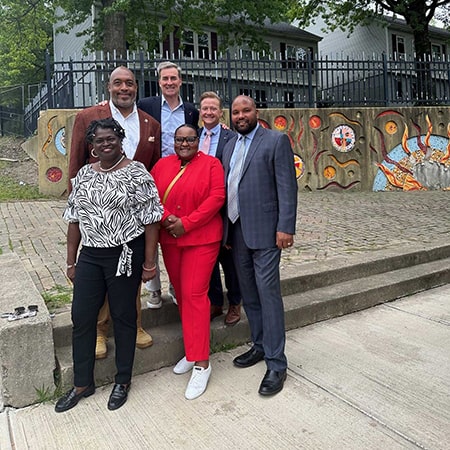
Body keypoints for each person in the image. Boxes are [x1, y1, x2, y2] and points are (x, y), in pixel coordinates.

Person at [55, 118, 163, 412]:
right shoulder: (85, 176)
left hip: (125, 254)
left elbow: (152, 220)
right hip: (90, 255)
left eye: (110, 139)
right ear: (91, 146)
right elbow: (74, 220)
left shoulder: (137, 173)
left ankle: (123, 380)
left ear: (120, 140)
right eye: (99, 141)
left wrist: (150, 263)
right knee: (82, 317)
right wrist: (70, 261)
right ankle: (82, 383)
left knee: (124, 316)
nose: (105, 144)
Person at [68, 66, 161, 358]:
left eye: (130, 84)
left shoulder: (149, 123)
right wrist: (77, 203)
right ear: (109, 86)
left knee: (129, 273)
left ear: (136, 88)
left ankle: (134, 323)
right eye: (118, 83)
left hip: (132, 216)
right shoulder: (88, 117)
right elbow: (76, 164)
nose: (125, 88)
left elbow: (154, 168)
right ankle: (99, 329)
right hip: (98, 213)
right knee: (98, 278)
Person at [222, 95, 298, 396]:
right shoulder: (229, 146)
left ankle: (277, 363)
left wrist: (285, 227)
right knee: (249, 294)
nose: (241, 116)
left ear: (257, 112)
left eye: (246, 111)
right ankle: (260, 345)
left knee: (268, 294)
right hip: (237, 231)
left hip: (267, 233)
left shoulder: (275, 141)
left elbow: (287, 186)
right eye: (236, 112)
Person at [150, 124, 225, 400]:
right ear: (174, 141)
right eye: (179, 139)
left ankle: (202, 363)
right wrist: (168, 218)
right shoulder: (162, 164)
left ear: (198, 141)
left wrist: (187, 223)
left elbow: (216, 198)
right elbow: (152, 196)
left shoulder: (211, 164)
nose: (184, 144)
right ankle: (192, 353)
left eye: (190, 139)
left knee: (195, 295)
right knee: (181, 295)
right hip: (170, 238)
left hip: (201, 239)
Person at [137, 61, 199, 308]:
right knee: (151, 229)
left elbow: (199, 136)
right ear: (159, 81)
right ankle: (154, 288)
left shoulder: (191, 110)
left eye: (174, 78)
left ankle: (176, 284)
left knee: (177, 230)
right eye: (165, 79)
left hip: (184, 176)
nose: (170, 83)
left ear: (180, 81)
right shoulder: (146, 105)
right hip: (155, 174)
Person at [197, 91, 242, 326]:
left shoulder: (231, 138)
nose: (209, 112)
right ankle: (215, 301)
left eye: (213, 108)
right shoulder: (192, 136)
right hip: (200, 210)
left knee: (229, 259)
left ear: (220, 112)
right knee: (208, 260)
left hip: (223, 209)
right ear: (200, 111)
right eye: (205, 108)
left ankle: (235, 302)